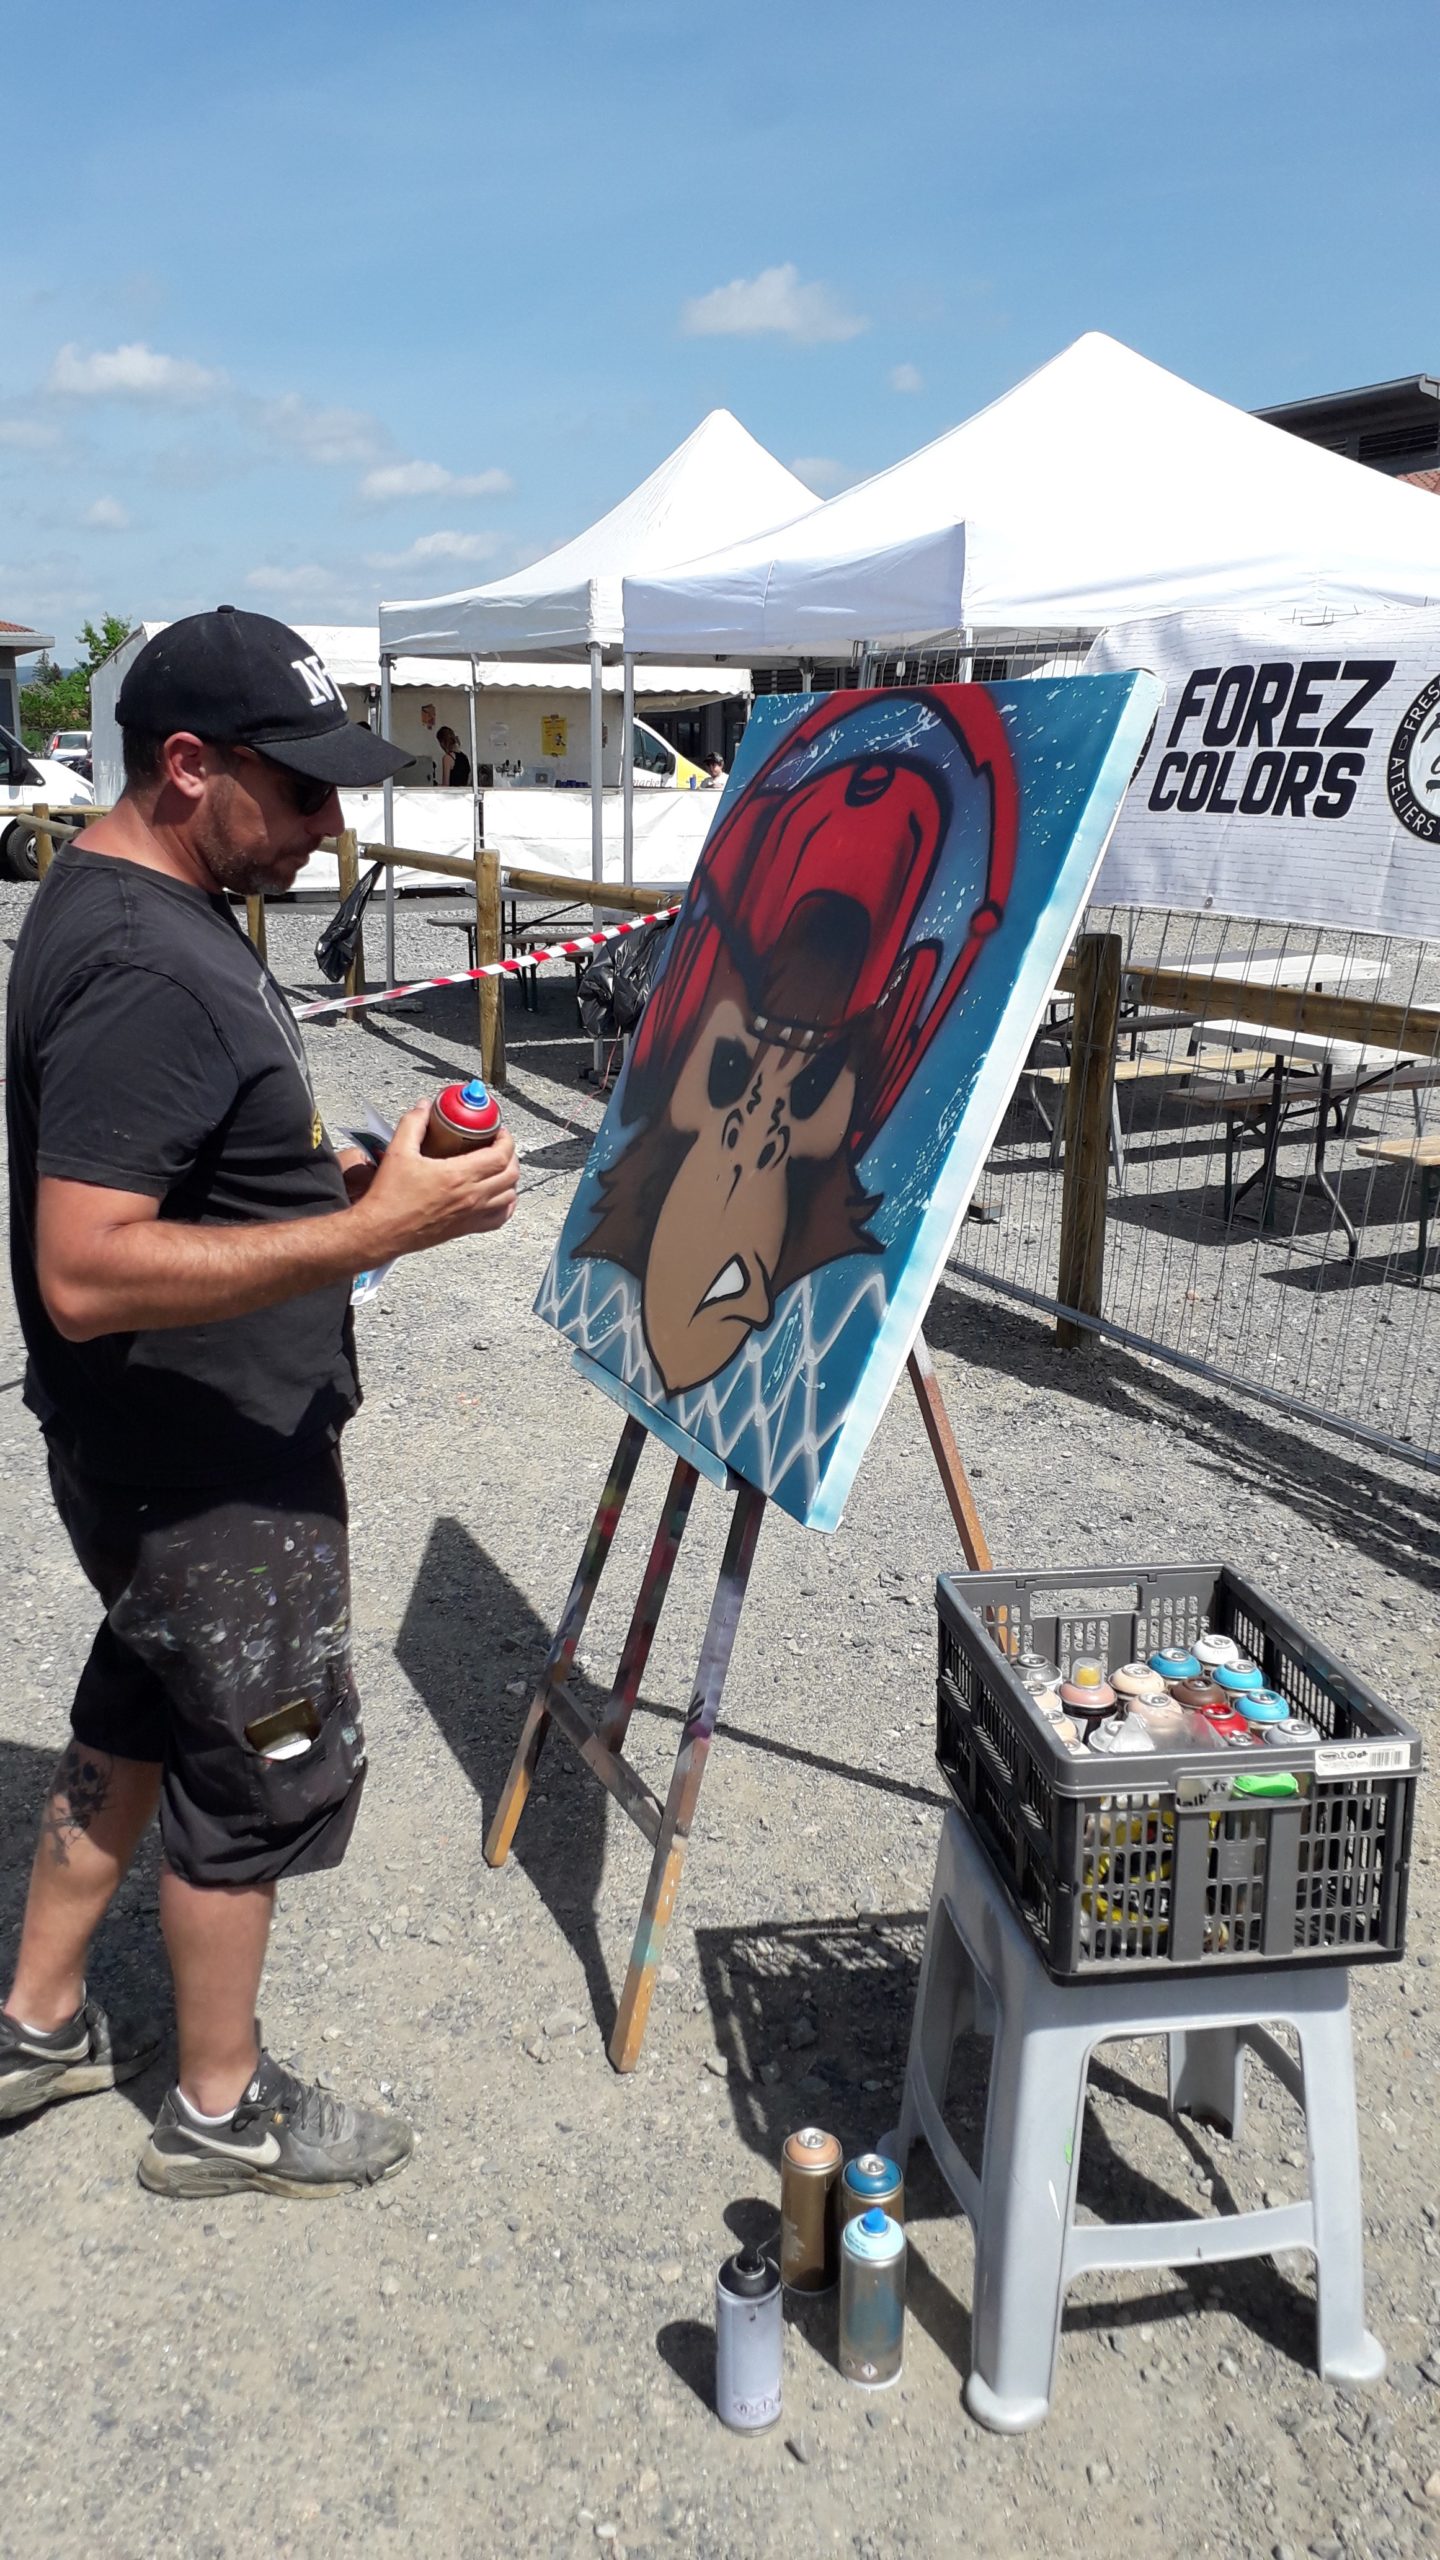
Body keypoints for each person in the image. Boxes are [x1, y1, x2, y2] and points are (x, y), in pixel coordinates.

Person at [0, 606, 520, 2197]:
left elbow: (177, 1172)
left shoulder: (136, 902)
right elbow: (85, 1266)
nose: (328, 824)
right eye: (299, 790)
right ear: (186, 767)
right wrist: (369, 1234)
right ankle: (221, 2113)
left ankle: (36, 2022)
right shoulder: (148, 962)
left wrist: (326, 1182)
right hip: (207, 1467)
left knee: (142, 1706)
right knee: (253, 1770)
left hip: (158, 1456)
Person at [436, 725, 471, 789]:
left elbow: (446, 785)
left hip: (453, 793)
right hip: (464, 792)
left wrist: (435, 786)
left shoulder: (447, 758)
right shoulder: (465, 757)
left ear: (442, 743)